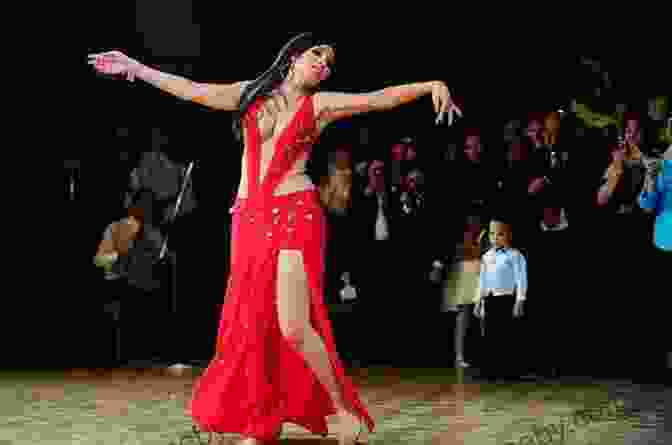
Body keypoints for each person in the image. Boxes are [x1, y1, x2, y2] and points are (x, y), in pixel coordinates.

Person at [89, 32, 462, 445]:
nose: (325, 63)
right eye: (317, 54)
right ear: (293, 57)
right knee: (249, 324)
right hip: (248, 219)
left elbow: (378, 98)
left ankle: (342, 413)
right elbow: (192, 90)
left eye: (330, 61)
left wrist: (432, 85)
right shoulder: (250, 95)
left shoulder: (319, 105)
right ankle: (258, 419)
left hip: (295, 215)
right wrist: (137, 68)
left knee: (293, 325)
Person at [473, 218, 528, 381]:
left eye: (500, 234)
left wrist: (520, 301)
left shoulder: (515, 255)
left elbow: (521, 279)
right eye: (492, 234)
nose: (495, 238)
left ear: (509, 235)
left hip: (507, 300)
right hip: (491, 300)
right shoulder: (486, 257)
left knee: (507, 337)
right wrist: (478, 301)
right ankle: (491, 370)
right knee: (490, 336)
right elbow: (482, 280)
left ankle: (510, 371)